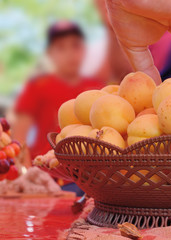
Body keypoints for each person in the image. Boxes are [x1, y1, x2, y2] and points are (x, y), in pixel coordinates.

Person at [12, 21, 104, 163]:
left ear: (84, 49)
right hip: (46, 171)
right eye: (61, 47)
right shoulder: (37, 86)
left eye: (75, 45)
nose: (70, 53)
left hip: (89, 176)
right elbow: (19, 136)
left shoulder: (97, 88)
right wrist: (27, 174)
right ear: (50, 53)